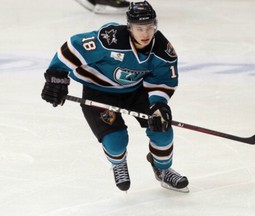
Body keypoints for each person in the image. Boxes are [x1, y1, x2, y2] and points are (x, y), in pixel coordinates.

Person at [41, 1, 189, 193]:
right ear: (129, 27)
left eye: (149, 28)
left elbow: (163, 80)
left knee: (162, 129)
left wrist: (158, 103)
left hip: (136, 91)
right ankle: (119, 164)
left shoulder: (162, 48)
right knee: (115, 140)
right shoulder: (110, 39)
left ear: (155, 26)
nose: (145, 34)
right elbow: (74, 46)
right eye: (139, 28)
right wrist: (56, 77)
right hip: (98, 91)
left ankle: (162, 169)